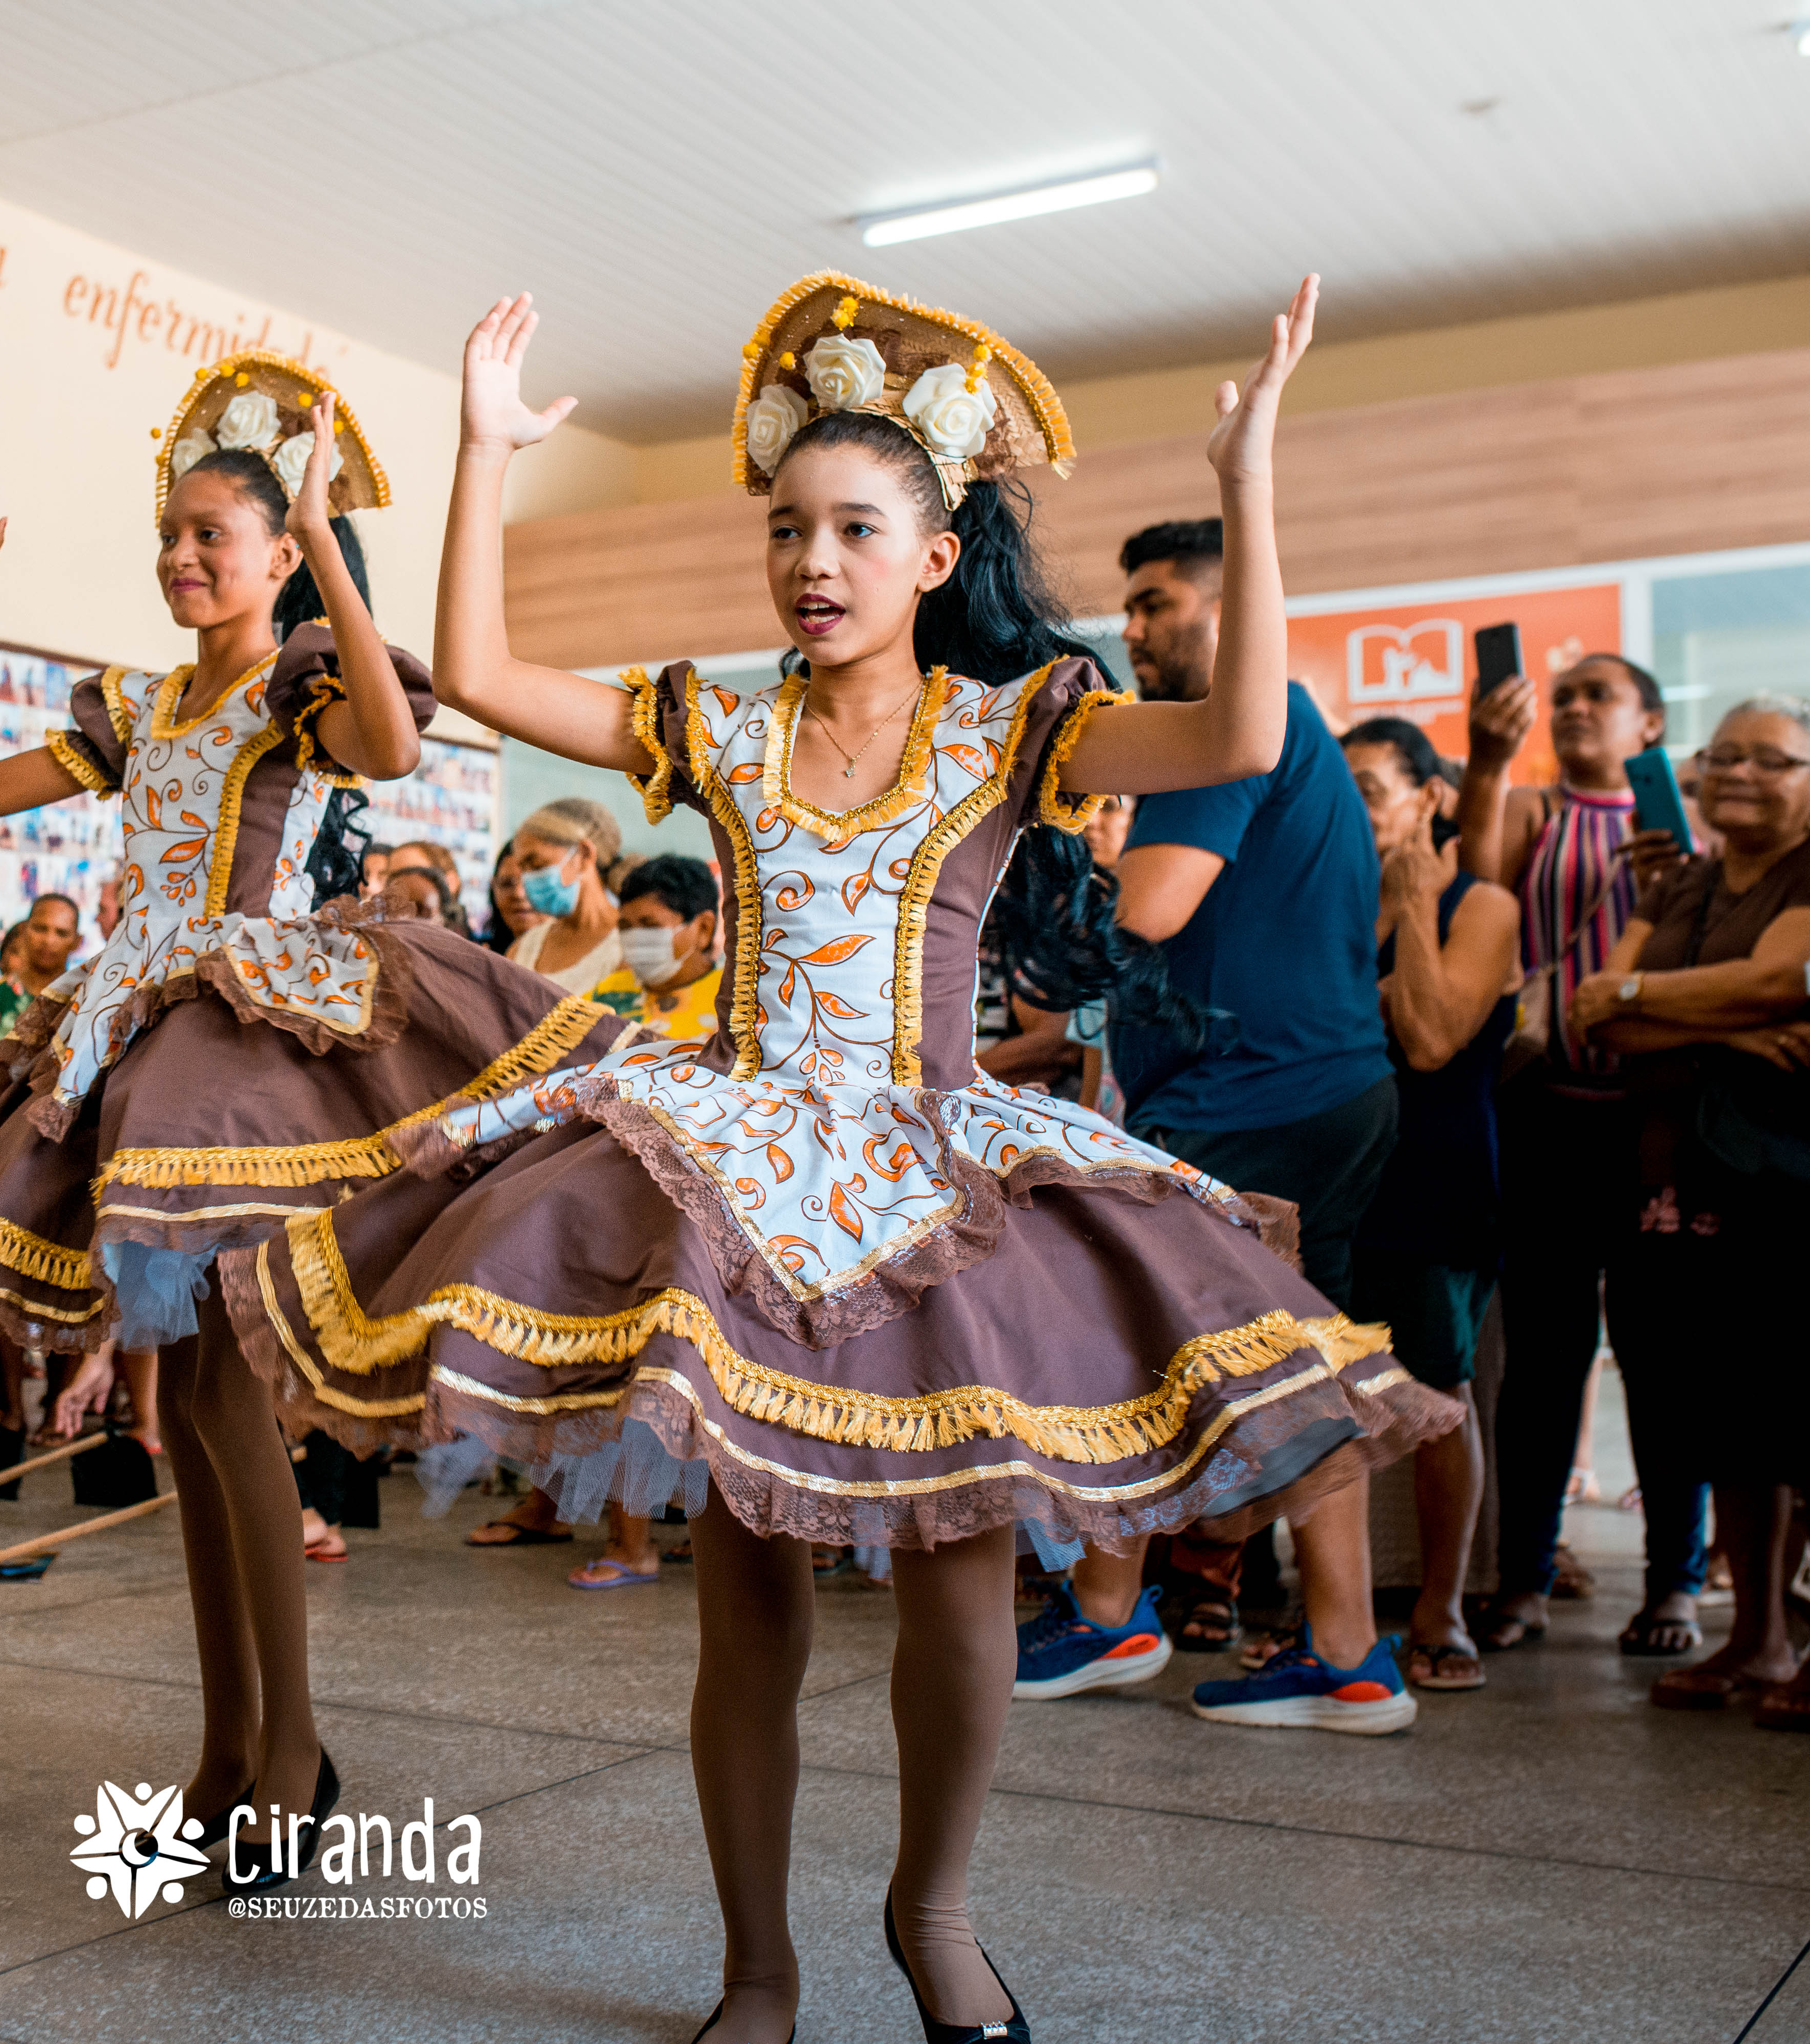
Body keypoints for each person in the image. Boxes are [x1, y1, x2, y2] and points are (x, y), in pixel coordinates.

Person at [230, 276, 1445, 2041]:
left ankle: (931, 1910)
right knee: (749, 1609)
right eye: (787, 527)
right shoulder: (716, 729)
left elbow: (1240, 739)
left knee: (958, 1597)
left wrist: (1247, 479)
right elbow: (479, 674)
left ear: (936, 557)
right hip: (732, 1177)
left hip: (932, 1187)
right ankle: (757, 1965)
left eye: (856, 528)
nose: (812, 559)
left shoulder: (1007, 727)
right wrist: (482, 451)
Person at [0, 366, 620, 1894]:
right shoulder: (139, 704)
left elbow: (393, 748)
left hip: (238, 1042)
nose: (184, 556)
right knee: (192, 1415)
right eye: (172, 534)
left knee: (218, 1400)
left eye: (215, 534)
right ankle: (225, 1746)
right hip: (133, 1034)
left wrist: (328, 542)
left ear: (273, 557)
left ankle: (290, 1746)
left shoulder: (296, 682)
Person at [1079, 513, 1401, 1654]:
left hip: (1249, 1097)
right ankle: (1347, 1652)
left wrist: (1047, 897)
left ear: (1230, 609)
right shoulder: (1286, 722)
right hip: (1323, 1088)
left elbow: (1146, 911)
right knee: (1305, 1371)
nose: (1131, 629)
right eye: (1129, 606)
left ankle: (1107, 1619)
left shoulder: (1219, 730)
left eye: (1155, 603)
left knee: (1126, 1345)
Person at [1456, 653, 1709, 1658]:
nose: (1573, 707)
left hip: (1658, 1121)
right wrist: (1486, 760)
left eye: (1599, 694)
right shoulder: (1534, 810)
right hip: (1546, 1118)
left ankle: (1674, 1584)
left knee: (1664, 1358)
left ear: (1651, 724)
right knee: (1544, 1362)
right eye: (1564, 696)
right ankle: (1523, 1577)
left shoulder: (1692, 824)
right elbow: (1478, 882)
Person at [1568, 696, 1810, 1720]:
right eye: (1725, 755)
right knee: (1734, 1423)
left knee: (1800, 1416)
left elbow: (1784, 977)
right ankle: (1756, 1640)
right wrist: (1733, 1024)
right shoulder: (1683, 881)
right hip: (1680, 1182)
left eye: (1773, 759)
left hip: (1787, 1187)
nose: (1740, 772)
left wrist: (1657, 1004)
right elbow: (1593, 1010)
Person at [1342, 716, 1519, 1692]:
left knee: (1442, 1396)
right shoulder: (1329, 902)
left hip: (1437, 1181)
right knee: (1322, 1397)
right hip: (1342, 1177)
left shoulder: (1481, 903)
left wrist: (1413, 899)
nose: (1355, 807)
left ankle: (1442, 1606)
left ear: (1430, 797)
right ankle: (1329, 1610)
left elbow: (1432, 1035)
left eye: (1372, 788)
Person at [504, 797, 626, 994]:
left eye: (537, 865)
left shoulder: (628, 946)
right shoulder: (524, 949)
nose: (527, 881)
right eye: (524, 869)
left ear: (584, 855)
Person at [604, 852, 724, 1042]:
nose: (636, 939)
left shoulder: (737, 1005)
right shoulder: (603, 998)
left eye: (651, 926)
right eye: (626, 927)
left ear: (704, 929)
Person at [0, 893, 81, 1070]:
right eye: (40, 929)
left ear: (77, 942)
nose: (49, 941)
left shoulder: (83, 1000)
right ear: (24, 930)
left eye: (61, 933)